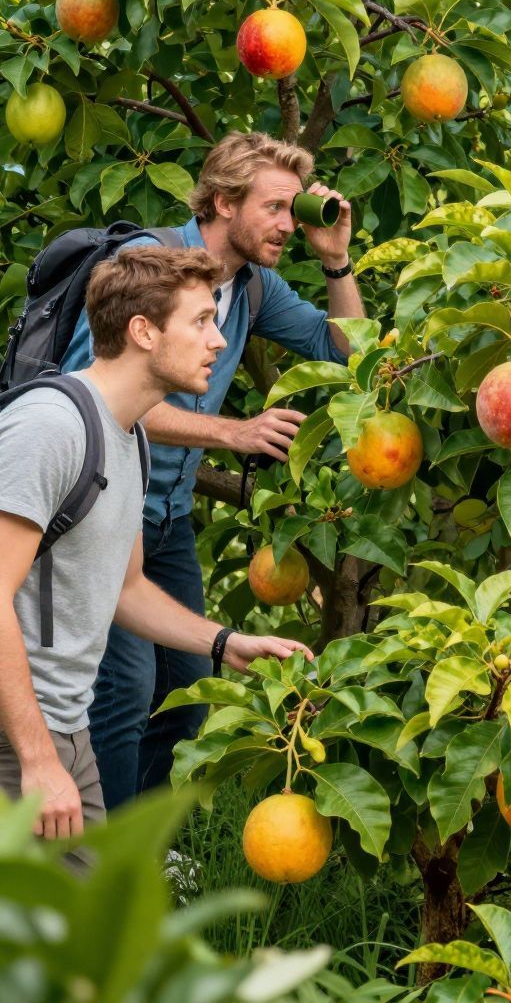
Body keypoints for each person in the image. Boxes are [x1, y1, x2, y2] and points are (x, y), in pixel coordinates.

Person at [59, 132, 361, 810]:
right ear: (224, 201)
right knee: (124, 691)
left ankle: (141, 844)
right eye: (275, 208)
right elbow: (94, 395)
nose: (288, 225)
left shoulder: (252, 287)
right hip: (105, 511)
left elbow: (346, 353)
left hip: (166, 520)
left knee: (188, 692)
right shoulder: (150, 266)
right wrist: (232, 431)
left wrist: (336, 262)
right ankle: (100, 856)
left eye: (293, 210)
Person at [0, 246, 311, 839]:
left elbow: (127, 588)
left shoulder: (132, 438)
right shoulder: (51, 428)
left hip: (64, 727)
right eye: (201, 321)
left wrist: (225, 642)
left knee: (96, 899)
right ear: (143, 331)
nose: (218, 341)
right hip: (17, 733)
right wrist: (38, 760)